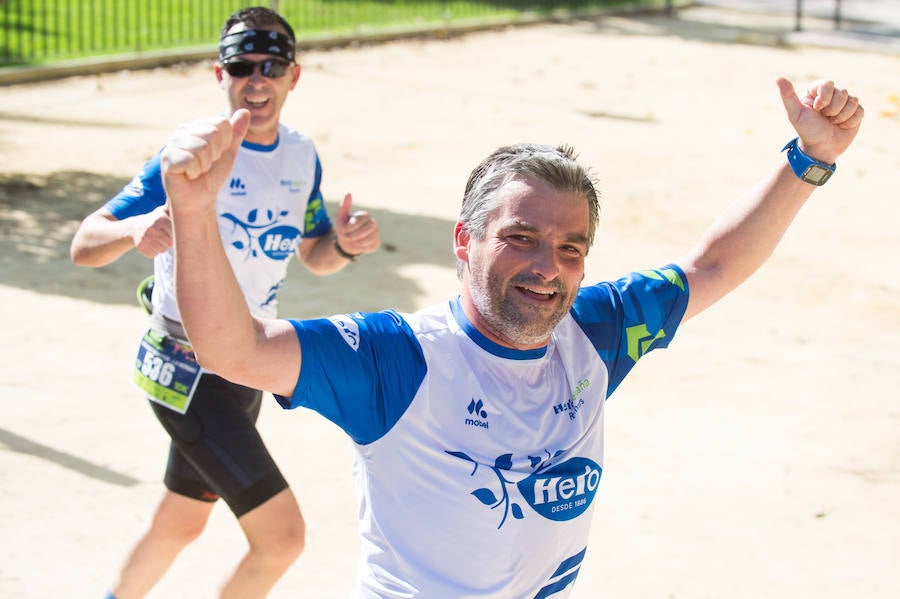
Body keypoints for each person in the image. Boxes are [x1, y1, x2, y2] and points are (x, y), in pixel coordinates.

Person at [160, 76, 862, 598]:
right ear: (464, 242)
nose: (546, 267)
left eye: (570, 248)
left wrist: (808, 161)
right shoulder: (398, 360)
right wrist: (193, 209)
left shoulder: (596, 328)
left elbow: (712, 266)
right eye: (520, 238)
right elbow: (235, 349)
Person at [69, 6, 381, 599]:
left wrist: (345, 245)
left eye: (272, 65)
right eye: (242, 66)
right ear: (220, 74)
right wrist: (134, 233)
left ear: (295, 76)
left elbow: (314, 253)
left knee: (181, 520)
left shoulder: (300, 156)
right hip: (186, 367)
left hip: (245, 364)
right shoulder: (189, 153)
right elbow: (86, 243)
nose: (256, 79)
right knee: (282, 538)